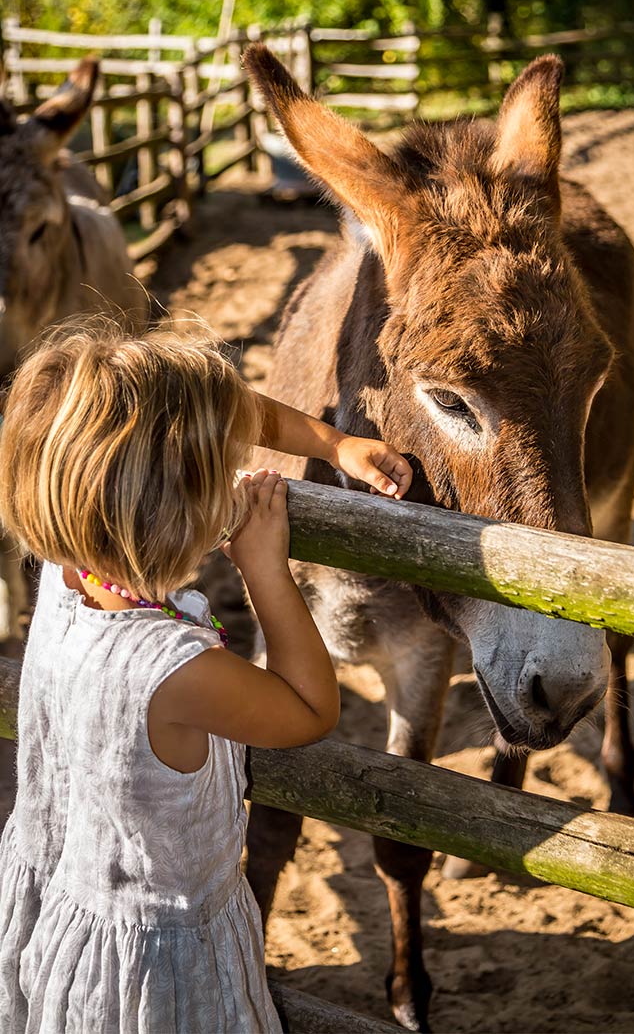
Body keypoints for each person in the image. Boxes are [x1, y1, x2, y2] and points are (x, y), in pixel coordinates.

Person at [0, 320, 412, 1032]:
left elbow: (234, 409)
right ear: (176, 512)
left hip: (61, 897)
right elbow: (310, 707)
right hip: (160, 972)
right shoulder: (174, 672)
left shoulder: (67, 580)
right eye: (216, 471)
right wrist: (264, 567)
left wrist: (332, 442)